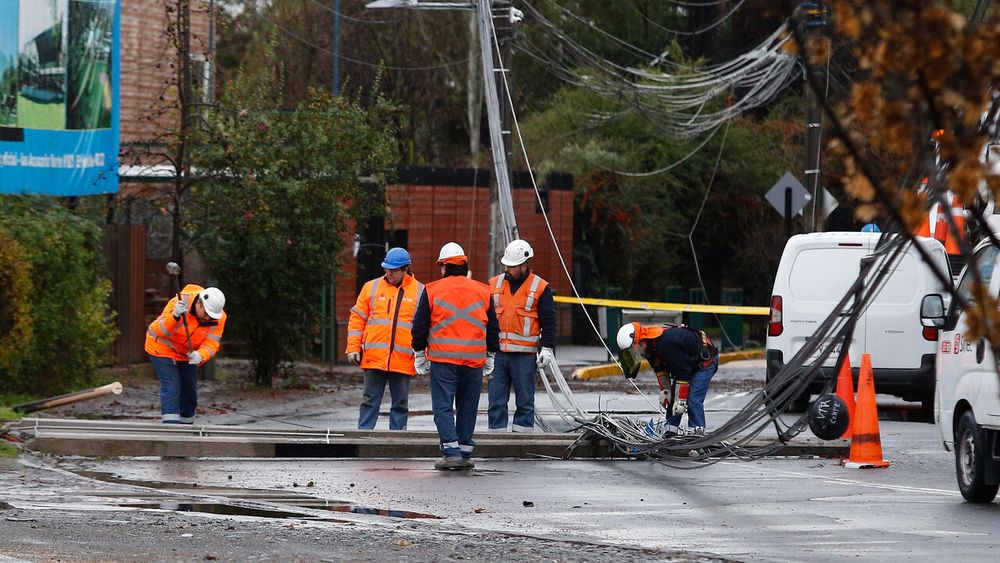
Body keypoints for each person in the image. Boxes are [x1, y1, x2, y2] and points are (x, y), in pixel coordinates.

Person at [411, 242, 499, 470]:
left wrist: (419, 354)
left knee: (442, 407)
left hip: (444, 360)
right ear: (464, 266)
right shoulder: (483, 290)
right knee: (468, 406)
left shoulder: (431, 290)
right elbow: (493, 327)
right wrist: (491, 354)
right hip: (473, 360)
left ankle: (451, 453)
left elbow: (420, 326)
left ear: (443, 267)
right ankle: (465, 452)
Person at [346, 247, 424, 430]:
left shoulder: (420, 292)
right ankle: (363, 438)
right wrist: (353, 348)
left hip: (402, 359)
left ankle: (397, 441)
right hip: (374, 357)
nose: (388, 273)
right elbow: (357, 318)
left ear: (406, 270)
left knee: (400, 404)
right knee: (369, 401)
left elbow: (424, 327)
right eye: (386, 268)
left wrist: (423, 356)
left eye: (393, 270)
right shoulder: (371, 287)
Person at [487, 239, 556, 433]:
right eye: (506, 265)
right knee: (495, 402)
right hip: (498, 355)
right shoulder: (494, 284)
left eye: (512, 266)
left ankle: (522, 442)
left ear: (524, 266)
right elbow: (485, 318)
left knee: (525, 403)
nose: (507, 269)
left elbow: (549, 321)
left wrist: (548, 349)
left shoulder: (540, 287)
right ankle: (496, 442)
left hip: (524, 356)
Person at [145, 284, 227, 424]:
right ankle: (172, 429)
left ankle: (187, 427)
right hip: (162, 347)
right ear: (199, 304)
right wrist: (175, 317)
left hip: (186, 354)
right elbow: (161, 331)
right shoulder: (179, 303)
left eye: (211, 316)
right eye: (206, 313)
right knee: (172, 385)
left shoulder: (218, 318)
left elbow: (211, 344)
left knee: (189, 390)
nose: (208, 318)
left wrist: (200, 355)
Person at [616, 321, 719, 433]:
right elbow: (660, 370)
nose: (635, 355)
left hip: (705, 362)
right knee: (673, 398)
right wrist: (666, 392)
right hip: (687, 364)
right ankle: (670, 431)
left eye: (633, 350)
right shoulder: (650, 349)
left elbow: (683, 373)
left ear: (642, 342)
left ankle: (697, 434)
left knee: (693, 399)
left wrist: (681, 401)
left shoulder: (667, 344)